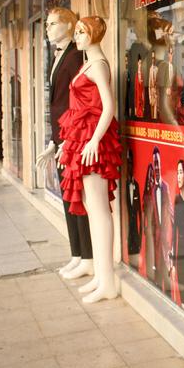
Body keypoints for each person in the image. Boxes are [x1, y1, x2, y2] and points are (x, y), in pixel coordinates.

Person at [57, 15, 122, 303]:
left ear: (94, 35)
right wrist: (69, 143)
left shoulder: (98, 65)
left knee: (99, 210)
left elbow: (108, 107)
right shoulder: (88, 64)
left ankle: (107, 281)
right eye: (78, 32)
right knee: (91, 207)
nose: (79, 37)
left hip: (93, 142)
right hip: (82, 140)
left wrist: (95, 140)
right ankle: (100, 275)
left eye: (83, 32)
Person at [36, 7, 94, 280]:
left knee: (78, 198)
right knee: (68, 199)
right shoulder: (57, 57)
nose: (47, 29)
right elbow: (58, 104)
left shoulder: (75, 57)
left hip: (74, 138)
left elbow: (78, 103)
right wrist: (52, 140)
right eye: (47, 25)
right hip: (61, 138)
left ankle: (89, 256)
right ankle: (77, 253)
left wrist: (68, 139)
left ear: (69, 26)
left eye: (52, 24)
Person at [144, 147, 171, 292]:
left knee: (167, 272)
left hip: (166, 238)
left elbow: (171, 214)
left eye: (157, 164)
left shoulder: (166, 188)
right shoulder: (152, 190)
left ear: (161, 164)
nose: (156, 167)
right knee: (158, 272)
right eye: (154, 165)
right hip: (156, 238)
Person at [170, 159, 184, 309]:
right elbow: (173, 232)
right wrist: (172, 262)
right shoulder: (177, 200)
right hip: (180, 256)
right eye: (177, 172)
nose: (178, 176)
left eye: (180, 173)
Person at [148, 50, 160, 121]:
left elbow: (158, 83)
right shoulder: (150, 69)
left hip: (156, 94)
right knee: (152, 114)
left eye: (154, 58)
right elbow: (149, 85)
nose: (153, 59)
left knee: (156, 114)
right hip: (151, 94)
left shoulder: (157, 69)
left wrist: (157, 95)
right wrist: (149, 97)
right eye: (152, 58)